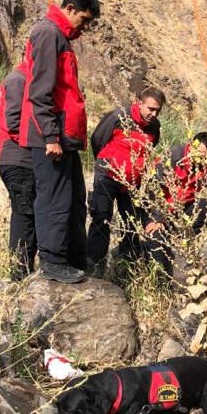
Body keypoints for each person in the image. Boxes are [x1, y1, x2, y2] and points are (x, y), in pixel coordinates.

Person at [19, 0, 100, 283]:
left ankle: (75, 258)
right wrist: (50, 137)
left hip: (63, 136)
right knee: (55, 199)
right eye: (85, 19)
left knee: (74, 198)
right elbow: (39, 92)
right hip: (50, 137)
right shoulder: (48, 34)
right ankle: (53, 263)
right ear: (69, 9)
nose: (86, 26)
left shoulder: (60, 37)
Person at [86, 87, 166, 277]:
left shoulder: (155, 127)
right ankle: (94, 268)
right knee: (101, 219)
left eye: (157, 110)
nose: (153, 114)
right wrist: (108, 162)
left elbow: (149, 149)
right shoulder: (117, 117)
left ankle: (125, 268)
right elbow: (97, 140)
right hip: (108, 176)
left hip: (131, 184)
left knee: (130, 223)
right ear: (139, 103)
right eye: (150, 109)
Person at [140, 132, 207, 280]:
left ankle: (181, 238)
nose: (199, 158)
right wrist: (155, 219)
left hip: (183, 209)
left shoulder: (205, 162)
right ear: (191, 145)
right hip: (158, 210)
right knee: (157, 241)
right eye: (196, 152)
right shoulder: (172, 157)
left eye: (203, 155)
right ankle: (161, 281)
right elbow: (152, 189)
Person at [0, 62, 37, 281]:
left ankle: (23, 269)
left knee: (28, 212)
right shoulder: (19, 80)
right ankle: (20, 272)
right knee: (25, 213)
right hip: (17, 159)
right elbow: (13, 123)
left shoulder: (18, 79)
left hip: (16, 158)